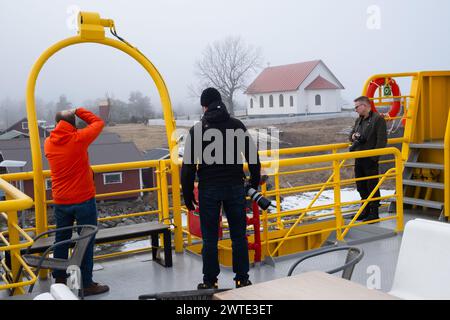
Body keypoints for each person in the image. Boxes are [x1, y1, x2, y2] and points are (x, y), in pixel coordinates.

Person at [181, 87, 261, 289]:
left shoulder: (198, 130)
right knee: (238, 236)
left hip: (209, 189)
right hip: (234, 187)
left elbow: (189, 166)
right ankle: (242, 278)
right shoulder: (236, 125)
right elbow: (253, 158)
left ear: (204, 106)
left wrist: (188, 193)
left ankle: (210, 281)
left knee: (209, 239)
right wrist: (253, 184)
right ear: (220, 102)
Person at [44, 108, 109, 296]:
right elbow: (98, 122)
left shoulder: (48, 143)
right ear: (73, 123)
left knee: (61, 240)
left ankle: (60, 280)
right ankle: (86, 283)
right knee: (86, 241)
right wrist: (79, 110)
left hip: (61, 201)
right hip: (83, 200)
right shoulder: (78, 138)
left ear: (56, 124)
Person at [349, 96, 387, 222]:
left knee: (372, 185)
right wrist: (354, 136)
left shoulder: (378, 120)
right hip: (359, 158)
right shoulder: (358, 121)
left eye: (357, 107)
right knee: (361, 185)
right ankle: (365, 210)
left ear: (364, 106)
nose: (355, 110)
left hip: (370, 160)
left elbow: (382, 140)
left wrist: (374, 158)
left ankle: (374, 213)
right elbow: (350, 135)